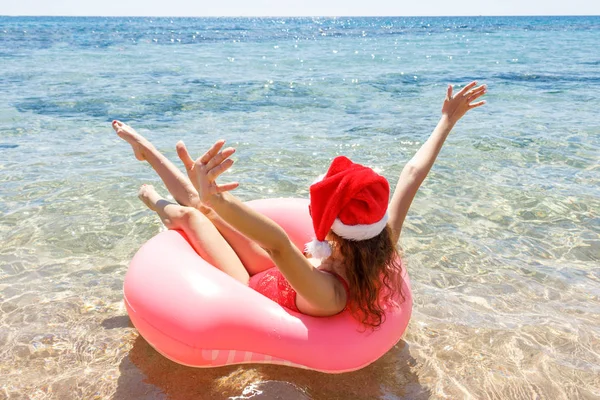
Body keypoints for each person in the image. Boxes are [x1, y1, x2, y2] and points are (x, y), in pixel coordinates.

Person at [113, 81, 486, 328]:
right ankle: (146, 151)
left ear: (334, 230)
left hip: (248, 286)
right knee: (206, 207)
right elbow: (410, 176)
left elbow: (278, 243)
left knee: (191, 216)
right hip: (273, 275)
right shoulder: (379, 239)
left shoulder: (332, 293)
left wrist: (217, 197)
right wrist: (446, 121)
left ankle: (151, 196)